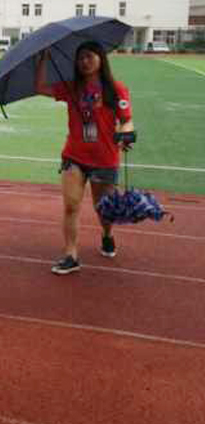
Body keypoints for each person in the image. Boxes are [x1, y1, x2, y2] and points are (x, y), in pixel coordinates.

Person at [35, 41, 135, 275]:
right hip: (74, 156)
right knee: (71, 206)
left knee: (104, 210)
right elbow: (40, 87)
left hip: (104, 158)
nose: (84, 62)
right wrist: (43, 59)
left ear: (101, 58)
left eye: (89, 56)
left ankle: (107, 234)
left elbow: (126, 118)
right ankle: (71, 255)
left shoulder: (116, 89)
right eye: (80, 58)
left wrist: (125, 135)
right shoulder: (72, 88)